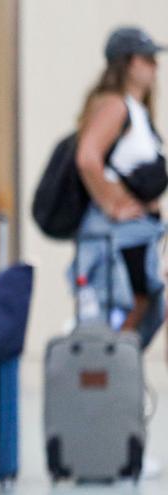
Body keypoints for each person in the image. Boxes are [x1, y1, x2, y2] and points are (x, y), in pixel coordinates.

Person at [74, 26, 165, 349]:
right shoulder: (115, 106)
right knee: (124, 312)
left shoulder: (137, 111)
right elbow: (87, 158)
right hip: (119, 238)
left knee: (145, 308)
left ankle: (119, 385)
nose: (155, 67)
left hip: (139, 236)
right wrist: (115, 203)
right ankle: (107, 386)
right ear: (127, 63)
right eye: (148, 59)